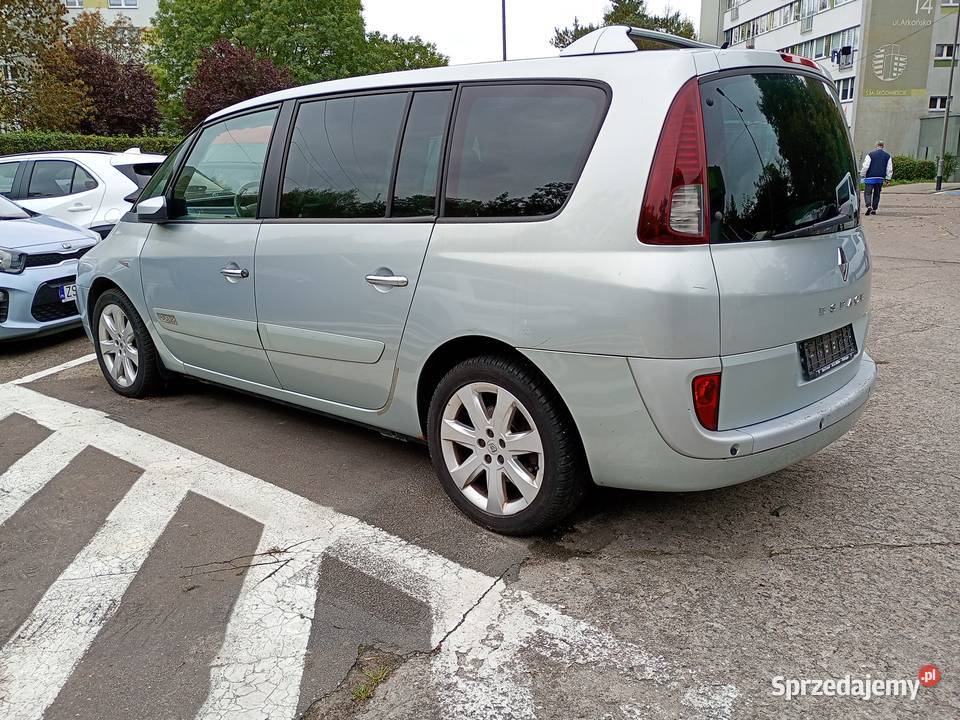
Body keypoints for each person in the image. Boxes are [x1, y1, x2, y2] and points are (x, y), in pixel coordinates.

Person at [860, 141, 893, 215]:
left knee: (867, 193)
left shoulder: (870, 155)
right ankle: (874, 209)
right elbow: (889, 168)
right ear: (883, 146)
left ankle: (869, 206)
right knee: (877, 194)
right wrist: (888, 179)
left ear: (876, 146)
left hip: (870, 178)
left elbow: (866, 166)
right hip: (880, 178)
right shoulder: (887, 156)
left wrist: (862, 174)